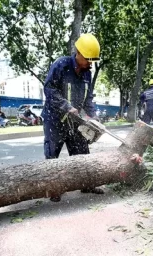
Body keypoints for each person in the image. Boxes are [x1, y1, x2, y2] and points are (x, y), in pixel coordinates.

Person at [42, 33, 104, 202]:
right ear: (79, 53)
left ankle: (86, 184)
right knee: (52, 154)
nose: (90, 63)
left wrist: (93, 115)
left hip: (74, 120)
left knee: (82, 152)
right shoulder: (61, 65)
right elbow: (49, 89)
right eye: (88, 59)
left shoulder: (87, 73)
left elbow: (88, 96)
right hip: (54, 118)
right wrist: (66, 107)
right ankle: (54, 188)